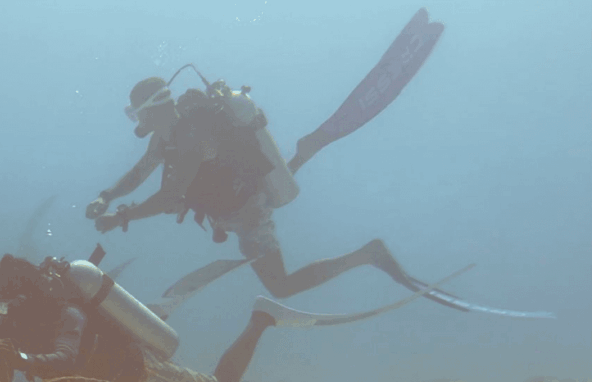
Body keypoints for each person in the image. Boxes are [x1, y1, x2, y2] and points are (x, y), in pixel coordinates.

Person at [84, 73, 450, 307]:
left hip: (247, 212)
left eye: (136, 113)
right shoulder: (166, 137)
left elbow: (171, 197)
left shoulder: (191, 136)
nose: (137, 120)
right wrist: (107, 195)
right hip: (231, 206)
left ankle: (367, 254)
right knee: (268, 244)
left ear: (152, 109)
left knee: (281, 285)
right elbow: (139, 172)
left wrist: (121, 217)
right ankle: (300, 157)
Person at [0, 254, 272, 382]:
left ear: (30, 296)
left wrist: (20, 360)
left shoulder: (66, 313)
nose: (10, 313)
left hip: (137, 374)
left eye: (15, 303)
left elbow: (67, 358)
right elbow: (3, 379)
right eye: (3, 306)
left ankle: (261, 318)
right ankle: (161, 308)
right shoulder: (10, 323)